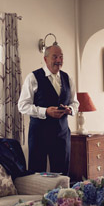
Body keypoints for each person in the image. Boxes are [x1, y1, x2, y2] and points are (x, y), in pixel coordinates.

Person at [18, 44, 79, 175]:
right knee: (37, 174)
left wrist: (70, 109)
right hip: (39, 134)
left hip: (62, 134)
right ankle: (38, 197)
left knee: (62, 175)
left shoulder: (68, 78)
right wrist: (45, 111)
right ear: (45, 59)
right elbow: (22, 106)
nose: (59, 60)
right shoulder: (33, 78)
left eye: (61, 57)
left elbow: (75, 102)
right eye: (55, 57)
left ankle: (63, 196)